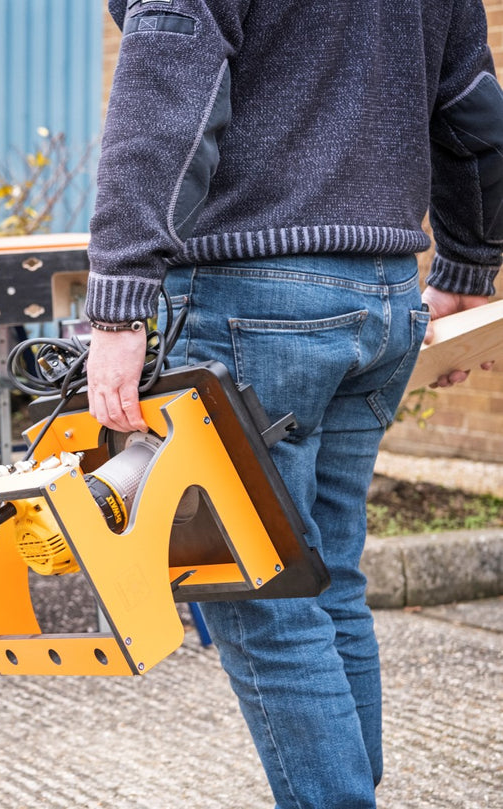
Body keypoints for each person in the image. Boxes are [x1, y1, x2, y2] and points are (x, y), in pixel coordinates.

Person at [84, 2, 499, 807]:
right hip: (381, 296)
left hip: (254, 298)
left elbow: (165, 88)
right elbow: (472, 108)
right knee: (325, 574)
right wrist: (468, 262)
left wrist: (119, 303)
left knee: (264, 595)